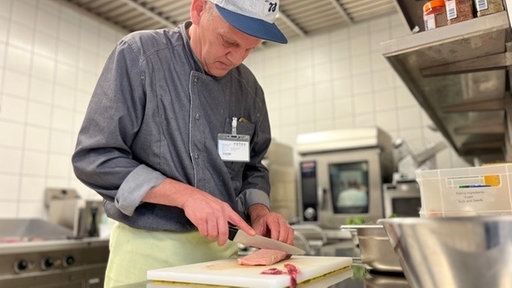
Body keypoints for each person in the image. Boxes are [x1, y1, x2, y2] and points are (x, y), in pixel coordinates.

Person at [71, 0, 294, 286]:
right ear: (199, 10)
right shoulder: (140, 55)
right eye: (229, 41)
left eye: (250, 48)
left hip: (223, 256)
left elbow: (253, 168)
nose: (237, 58)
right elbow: (94, 159)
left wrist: (259, 212)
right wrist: (185, 196)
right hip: (147, 254)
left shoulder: (249, 89)